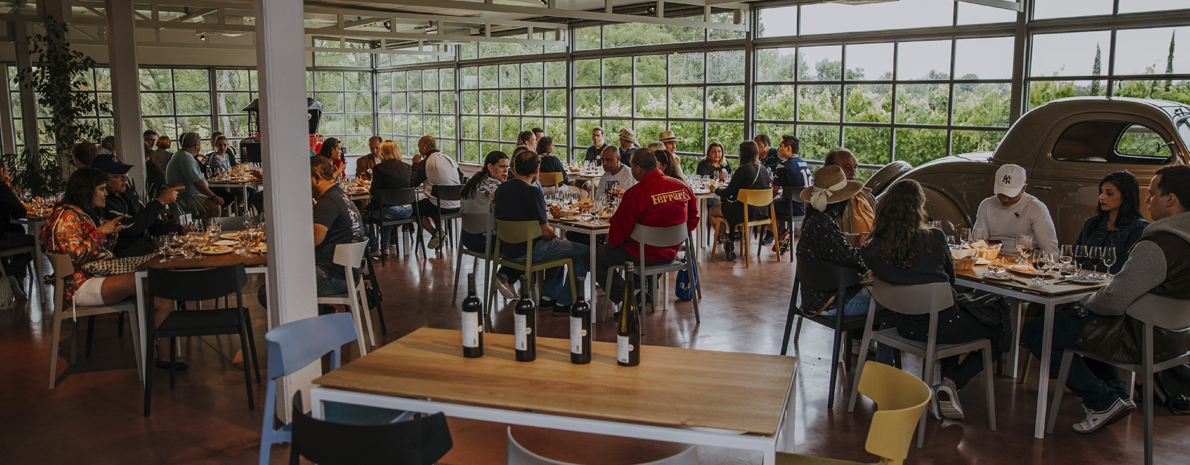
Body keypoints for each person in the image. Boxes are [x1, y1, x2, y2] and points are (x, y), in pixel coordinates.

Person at [1023, 165, 1190, 434]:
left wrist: (1083, 303)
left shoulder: (1158, 244)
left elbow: (1114, 300)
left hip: (1138, 338)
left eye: (1153, 195)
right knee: (1078, 326)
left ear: (1170, 199)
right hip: (1177, 341)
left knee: (1037, 330)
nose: (1148, 201)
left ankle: (1101, 401)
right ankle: (1119, 396)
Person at [861, 179, 1004, 421]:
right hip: (943, 324)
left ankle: (946, 387)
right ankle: (951, 383)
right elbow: (950, 281)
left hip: (906, 328)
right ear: (918, 208)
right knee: (1001, 329)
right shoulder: (934, 238)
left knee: (948, 317)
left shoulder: (870, 249)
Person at [40, 167, 178, 368]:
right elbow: (74, 256)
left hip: (93, 276)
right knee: (152, 282)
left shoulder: (84, 213)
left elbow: (100, 250)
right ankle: (161, 353)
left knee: (162, 294)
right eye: (102, 189)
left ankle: (166, 358)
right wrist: (100, 233)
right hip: (78, 285)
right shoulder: (67, 216)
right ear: (87, 190)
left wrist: (110, 234)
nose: (106, 193)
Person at [595, 148, 698, 309]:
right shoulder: (682, 187)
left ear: (637, 169)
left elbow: (619, 230)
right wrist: (673, 240)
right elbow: (693, 219)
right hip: (671, 252)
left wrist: (612, 244)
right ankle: (639, 291)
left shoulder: (635, 193)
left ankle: (630, 296)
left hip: (641, 253)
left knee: (594, 256)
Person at [493, 150, 589, 315]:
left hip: (508, 249)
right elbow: (545, 233)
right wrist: (555, 236)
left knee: (557, 248)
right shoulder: (532, 192)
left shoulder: (501, 189)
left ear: (514, 168)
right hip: (530, 250)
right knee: (584, 252)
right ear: (537, 170)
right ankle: (564, 302)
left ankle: (548, 298)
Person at [796, 164, 871, 318]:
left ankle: (858, 341)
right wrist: (868, 264)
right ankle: (864, 341)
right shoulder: (824, 222)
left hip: (812, 300)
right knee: (889, 299)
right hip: (831, 302)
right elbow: (844, 254)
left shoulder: (812, 219)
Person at [93, 155, 183, 257]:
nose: (125, 178)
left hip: (146, 252)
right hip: (127, 259)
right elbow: (133, 226)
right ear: (101, 179)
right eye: (118, 175)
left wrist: (181, 229)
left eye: (125, 174)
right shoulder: (102, 204)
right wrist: (160, 202)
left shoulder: (125, 193)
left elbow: (149, 223)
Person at [971, 163, 1059, 255]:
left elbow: (1049, 247)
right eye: (1001, 193)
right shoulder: (986, 205)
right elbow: (977, 243)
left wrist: (1050, 266)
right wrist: (983, 244)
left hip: (1025, 262)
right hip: (993, 259)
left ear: (1024, 188)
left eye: (1010, 194)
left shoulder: (1035, 207)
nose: (1004, 199)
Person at [1075, 171, 1149, 275]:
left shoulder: (1139, 229)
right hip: (1081, 282)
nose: (1101, 197)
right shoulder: (1091, 223)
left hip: (1114, 285)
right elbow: (1075, 257)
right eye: (1101, 192)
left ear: (1126, 196)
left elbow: (1132, 268)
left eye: (1109, 193)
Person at [709, 141, 771, 261]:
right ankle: (733, 234)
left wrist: (715, 189)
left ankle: (726, 242)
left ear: (743, 154)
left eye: (740, 151)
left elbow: (728, 192)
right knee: (724, 208)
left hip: (744, 212)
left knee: (713, 211)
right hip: (763, 212)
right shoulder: (763, 169)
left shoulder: (742, 170)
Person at [411, 135, 462, 250]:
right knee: (432, 202)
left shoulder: (426, 162)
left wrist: (415, 164)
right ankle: (439, 232)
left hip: (440, 205)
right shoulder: (449, 158)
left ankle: (435, 233)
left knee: (413, 209)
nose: (419, 150)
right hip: (457, 205)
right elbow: (461, 177)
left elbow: (413, 182)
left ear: (424, 148)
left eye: (419, 148)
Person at [365, 140, 414, 257]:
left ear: (382, 152)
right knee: (386, 209)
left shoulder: (379, 168)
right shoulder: (407, 167)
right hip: (407, 210)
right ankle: (385, 247)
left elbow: (374, 192)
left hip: (389, 212)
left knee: (364, 216)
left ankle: (374, 248)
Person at [824, 147, 878, 246]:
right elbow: (823, 236)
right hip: (850, 256)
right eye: (847, 167)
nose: (853, 172)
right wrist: (854, 239)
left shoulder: (867, 196)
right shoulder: (825, 200)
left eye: (855, 167)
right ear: (830, 170)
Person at [459, 151, 508, 257]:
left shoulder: (472, 183)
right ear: (490, 166)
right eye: (502, 166)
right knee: (526, 243)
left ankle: (505, 273)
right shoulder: (496, 188)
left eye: (507, 167)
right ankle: (506, 272)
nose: (506, 171)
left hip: (467, 238)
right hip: (486, 241)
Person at [166, 131, 224, 218]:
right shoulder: (186, 158)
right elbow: (197, 183)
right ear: (196, 145)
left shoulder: (180, 154)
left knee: (212, 206)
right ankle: (201, 229)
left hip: (183, 195)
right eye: (200, 145)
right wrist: (213, 196)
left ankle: (196, 227)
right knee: (216, 207)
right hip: (184, 197)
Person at [772, 135, 812, 251]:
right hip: (805, 207)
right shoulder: (805, 163)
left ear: (788, 148)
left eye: (780, 146)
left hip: (791, 207)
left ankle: (782, 233)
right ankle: (783, 236)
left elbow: (774, 191)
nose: (778, 149)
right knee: (778, 202)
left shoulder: (783, 165)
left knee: (764, 207)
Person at [0, 165, 33, 287]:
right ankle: (12, 272)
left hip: (6, 233)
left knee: (19, 231)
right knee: (39, 241)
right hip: (2, 239)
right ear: (1, 171)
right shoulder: (1, 187)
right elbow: (20, 212)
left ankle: (16, 277)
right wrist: (9, 190)